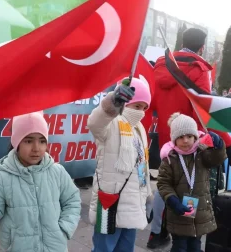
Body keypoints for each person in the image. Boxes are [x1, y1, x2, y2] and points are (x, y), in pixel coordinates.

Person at [147, 27, 231, 249]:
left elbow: (154, 103)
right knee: (190, 185)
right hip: (191, 138)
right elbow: (201, 108)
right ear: (202, 47)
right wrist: (216, 139)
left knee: (164, 184)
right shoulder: (199, 68)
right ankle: (187, 234)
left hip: (169, 135)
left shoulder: (162, 64)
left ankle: (156, 233)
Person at [0, 112, 81, 251]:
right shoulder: (4, 177)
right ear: (17, 143)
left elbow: (72, 201)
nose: (36, 148)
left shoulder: (57, 172)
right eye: (28, 141)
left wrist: (64, 229)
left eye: (42, 141)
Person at [88, 77, 152, 252]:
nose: (141, 112)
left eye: (144, 108)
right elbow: (95, 123)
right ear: (125, 102)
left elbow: (143, 167)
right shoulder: (111, 123)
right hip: (109, 204)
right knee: (103, 249)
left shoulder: (139, 129)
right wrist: (112, 103)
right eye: (137, 106)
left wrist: (147, 198)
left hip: (132, 207)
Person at [157, 113, 226, 252]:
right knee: (180, 247)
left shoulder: (202, 154)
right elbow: (164, 183)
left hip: (199, 214)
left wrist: (219, 146)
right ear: (174, 139)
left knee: (195, 246)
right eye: (181, 137)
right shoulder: (170, 159)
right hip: (179, 214)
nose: (186, 141)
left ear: (195, 136)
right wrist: (172, 200)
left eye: (189, 136)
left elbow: (216, 159)